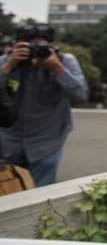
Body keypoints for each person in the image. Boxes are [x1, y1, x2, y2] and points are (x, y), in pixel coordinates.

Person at [0, 23, 88, 186]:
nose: (34, 50)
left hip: (46, 142)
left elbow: (80, 94)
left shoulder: (64, 61)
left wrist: (57, 68)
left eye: (41, 45)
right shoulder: (6, 61)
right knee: (6, 192)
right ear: (16, 44)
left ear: (53, 46)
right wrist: (8, 66)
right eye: (29, 46)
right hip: (7, 142)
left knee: (39, 194)